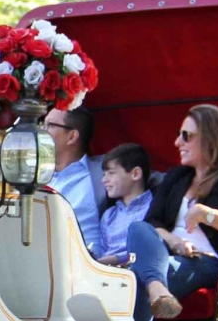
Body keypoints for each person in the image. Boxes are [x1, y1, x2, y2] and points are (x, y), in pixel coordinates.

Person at [126, 104, 218, 321]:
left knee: (134, 278)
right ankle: (157, 289)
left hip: (209, 261)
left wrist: (204, 214)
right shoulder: (177, 176)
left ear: (211, 139)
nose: (177, 143)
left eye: (186, 136)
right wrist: (174, 240)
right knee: (137, 228)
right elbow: (152, 222)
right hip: (165, 253)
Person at [45, 106, 106, 258]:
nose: (41, 131)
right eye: (42, 124)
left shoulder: (103, 171)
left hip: (87, 264)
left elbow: (144, 174)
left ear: (72, 136)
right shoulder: (31, 176)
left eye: (50, 125)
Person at [97, 143, 153, 265]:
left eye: (111, 173)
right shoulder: (109, 215)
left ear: (135, 174)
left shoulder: (154, 208)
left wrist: (117, 259)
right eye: (104, 174)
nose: (104, 180)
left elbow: (152, 250)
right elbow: (102, 251)